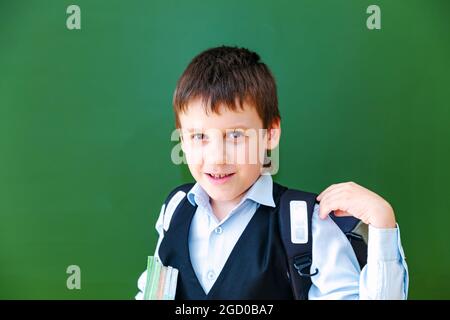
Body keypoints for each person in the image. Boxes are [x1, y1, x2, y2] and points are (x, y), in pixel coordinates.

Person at [136, 46, 408, 299]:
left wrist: (382, 224)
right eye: (199, 136)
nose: (217, 158)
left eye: (235, 135)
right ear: (182, 139)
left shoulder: (307, 224)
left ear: (270, 134)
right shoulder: (174, 209)